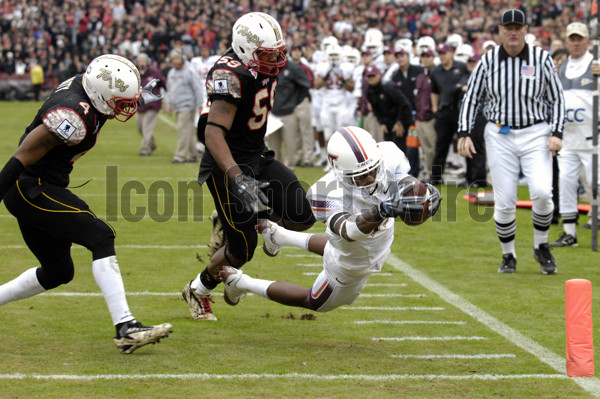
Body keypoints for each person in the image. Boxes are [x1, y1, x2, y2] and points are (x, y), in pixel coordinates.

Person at [0, 54, 172, 353]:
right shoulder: (71, 116)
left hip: (41, 186)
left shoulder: (90, 87)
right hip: (32, 187)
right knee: (100, 235)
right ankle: (126, 326)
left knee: (58, 272)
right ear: (100, 95)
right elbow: (22, 156)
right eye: (121, 102)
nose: (125, 108)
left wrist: (142, 93)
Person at [181, 12, 316, 321]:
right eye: (268, 55)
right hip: (225, 163)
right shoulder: (229, 74)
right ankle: (197, 289)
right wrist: (237, 177)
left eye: (278, 52)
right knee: (242, 251)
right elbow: (212, 133)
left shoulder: (262, 63)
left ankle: (257, 221)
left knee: (302, 214)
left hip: (258, 154)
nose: (276, 60)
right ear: (245, 50)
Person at [218, 126, 441, 312]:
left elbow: (406, 182)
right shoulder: (325, 191)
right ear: (340, 171)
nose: (370, 178)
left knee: (334, 249)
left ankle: (278, 235)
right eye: (361, 176)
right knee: (315, 302)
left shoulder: (388, 153)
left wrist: (422, 195)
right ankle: (240, 282)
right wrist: (383, 210)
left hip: (377, 235)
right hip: (352, 248)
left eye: (373, 170)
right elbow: (349, 232)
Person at [457, 9, 565, 274]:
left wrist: (557, 132)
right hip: (499, 133)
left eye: (519, 27)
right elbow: (472, 97)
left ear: (526, 30)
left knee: (541, 192)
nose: (514, 32)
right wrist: (464, 132)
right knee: (505, 201)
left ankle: (541, 246)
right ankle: (508, 255)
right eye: (509, 28)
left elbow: (557, 98)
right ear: (501, 31)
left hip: (535, 131)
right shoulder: (488, 60)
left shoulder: (541, 58)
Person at [550, 23, 600, 247]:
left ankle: (595, 218)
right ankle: (569, 232)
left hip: (592, 137)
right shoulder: (563, 66)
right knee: (566, 182)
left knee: (594, 183)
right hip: (568, 138)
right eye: (572, 39)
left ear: (588, 41)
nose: (576, 42)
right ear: (567, 41)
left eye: (580, 38)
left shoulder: (595, 63)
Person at [429, 43, 469, 185]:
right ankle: (436, 177)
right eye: (439, 54)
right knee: (441, 145)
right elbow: (434, 91)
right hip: (444, 111)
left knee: (465, 142)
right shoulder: (435, 71)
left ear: (451, 53)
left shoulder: (462, 67)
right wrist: (435, 108)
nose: (442, 56)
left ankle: (471, 177)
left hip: (460, 110)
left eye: (444, 53)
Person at [268, 45, 313, 169]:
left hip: (288, 112)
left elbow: (305, 86)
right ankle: (275, 172)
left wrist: (295, 102)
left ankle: (289, 172)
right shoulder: (269, 68)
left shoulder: (294, 68)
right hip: (273, 113)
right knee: (273, 147)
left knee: (291, 145)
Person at [165, 49, 204, 163]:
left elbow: (198, 89)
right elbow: (170, 90)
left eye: (177, 58)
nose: (175, 61)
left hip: (188, 105)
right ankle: (194, 155)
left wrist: (200, 104)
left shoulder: (190, 71)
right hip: (177, 106)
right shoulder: (171, 73)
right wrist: (169, 104)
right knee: (187, 131)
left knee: (182, 130)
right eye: (173, 59)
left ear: (182, 58)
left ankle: (180, 155)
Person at [365, 65, 414, 153]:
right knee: (388, 150)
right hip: (387, 122)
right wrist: (381, 123)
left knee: (400, 150)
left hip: (401, 120)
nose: (371, 78)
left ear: (378, 75)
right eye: (369, 76)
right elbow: (375, 109)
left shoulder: (389, 86)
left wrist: (400, 121)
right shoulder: (369, 91)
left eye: (373, 75)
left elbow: (404, 104)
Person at [136, 53, 167, 156]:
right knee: (140, 127)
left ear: (147, 62)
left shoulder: (155, 72)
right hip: (140, 105)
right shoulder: (136, 73)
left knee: (146, 127)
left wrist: (165, 97)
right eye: (140, 61)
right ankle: (152, 144)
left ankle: (145, 149)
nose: (142, 63)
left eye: (143, 61)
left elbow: (164, 83)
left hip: (152, 104)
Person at [414, 49, 437, 180]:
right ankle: (429, 171)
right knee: (425, 148)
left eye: (428, 56)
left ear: (433, 57)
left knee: (433, 147)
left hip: (431, 117)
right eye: (423, 56)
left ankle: (435, 173)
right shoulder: (420, 76)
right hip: (420, 116)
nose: (426, 59)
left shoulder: (437, 73)